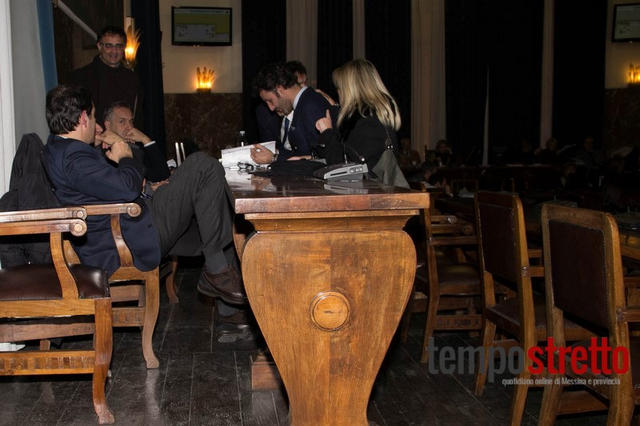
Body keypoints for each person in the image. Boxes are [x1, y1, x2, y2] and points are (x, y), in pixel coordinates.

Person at [42, 85, 244, 305]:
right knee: (203, 164)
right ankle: (216, 271)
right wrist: (125, 155)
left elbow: (105, 188)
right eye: (93, 116)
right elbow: (129, 188)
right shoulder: (74, 158)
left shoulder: (60, 150)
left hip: (134, 223)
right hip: (129, 238)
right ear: (83, 118)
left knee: (217, 222)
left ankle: (227, 305)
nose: (96, 124)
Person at [314, 59, 402, 171]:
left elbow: (344, 167)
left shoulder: (369, 123)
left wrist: (326, 132)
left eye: (339, 88)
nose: (338, 93)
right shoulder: (371, 117)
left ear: (349, 89)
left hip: (370, 182)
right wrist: (335, 108)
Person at [250, 62, 331, 164]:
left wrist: (275, 158)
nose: (271, 108)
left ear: (280, 90)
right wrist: (275, 153)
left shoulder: (310, 105)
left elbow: (322, 159)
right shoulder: (305, 102)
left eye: (270, 101)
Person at [70, 26, 142, 128]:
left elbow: (138, 115)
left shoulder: (132, 78)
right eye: (108, 46)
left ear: (124, 48)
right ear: (99, 46)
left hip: (127, 134)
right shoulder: (81, 76)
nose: (114, 51)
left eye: (118, 46)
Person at [103, 101, 170, 183]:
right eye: (122, 121)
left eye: (131, 121)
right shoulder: (104, 151)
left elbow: (163, 175)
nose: (129, 127)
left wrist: (145, 139)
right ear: (108, 125)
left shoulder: (134, 147)